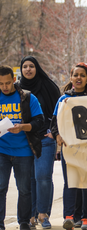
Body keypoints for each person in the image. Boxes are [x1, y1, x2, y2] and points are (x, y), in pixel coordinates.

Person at [50, 63, 87, 230]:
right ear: (70, 78)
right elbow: (54, 122)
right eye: (75, 75)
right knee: (70, 182)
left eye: (82, 75)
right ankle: (68, 217)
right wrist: (57, 136)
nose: (78, 78)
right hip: (69, 148)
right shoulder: (63, 99)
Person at [0, 65, 44, 230]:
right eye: (1, 84)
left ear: (13, 80)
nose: (4, 87)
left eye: (7, 83)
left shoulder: (27, 97)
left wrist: (22, 127)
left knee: (24, 189)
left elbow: (40, 121)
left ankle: (24, 221)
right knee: (0, 187)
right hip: (2, 150)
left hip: (23, 151)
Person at [19, 56, 61, 229]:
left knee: (43, 177)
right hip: (24, 141)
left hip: (45, 138)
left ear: (37, 68)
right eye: (25, 67)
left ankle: (43, 214)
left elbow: (59, 110)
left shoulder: (48, 86)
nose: (28, 69)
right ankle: (30, 216)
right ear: (21, 70)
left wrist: (53, 131)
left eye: (31, 66)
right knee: (29, 180)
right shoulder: (17, 90)